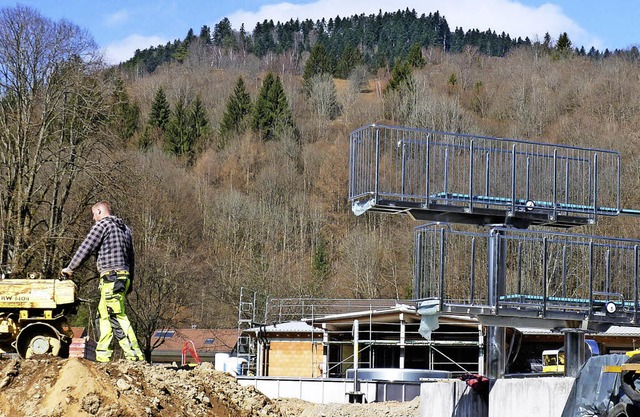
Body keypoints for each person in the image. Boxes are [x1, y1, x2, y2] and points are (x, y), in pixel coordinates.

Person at [62, 201, 144, 362]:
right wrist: (130, 281)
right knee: (103, 316)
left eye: (94, 214)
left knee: (115, 316)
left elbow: (86, 247)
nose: (93, 219)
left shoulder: (103, 225)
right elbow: (131, 258)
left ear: (100, 211)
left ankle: (135, 356)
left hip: (111, 277)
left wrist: (70, 268)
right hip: (122, 277)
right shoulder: (125, 229)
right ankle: (103, 356)